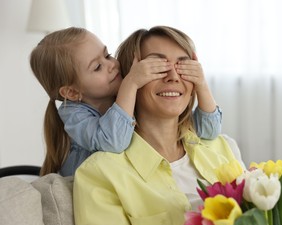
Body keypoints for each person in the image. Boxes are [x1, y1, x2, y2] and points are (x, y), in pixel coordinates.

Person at [73, 25, 243, 225]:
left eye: (184, 66)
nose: (173, 76)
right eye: (156, 67)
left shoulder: (224, 148)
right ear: (129, 81)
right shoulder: (100, 174)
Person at [29, 27, 222, 177]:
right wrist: (131, 82)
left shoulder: (126, 100)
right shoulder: (73, 114)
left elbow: (209, 131)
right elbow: (113, 141)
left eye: (107, 55)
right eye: (97, 67)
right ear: (71, 92)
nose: (112, 65)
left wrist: (201, 84)